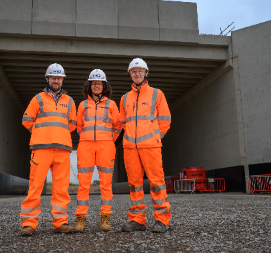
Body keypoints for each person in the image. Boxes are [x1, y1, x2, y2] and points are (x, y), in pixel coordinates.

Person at [20, 63, 77, 236]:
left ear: (63, 80)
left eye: (59, 78)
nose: (56, 81)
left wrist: (56, 133)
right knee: (35, 186)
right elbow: (27, 120)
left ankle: (60, 222)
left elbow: (73, 124)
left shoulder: (70, 101)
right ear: (47, 79)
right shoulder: (38, 98)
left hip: (62, 149)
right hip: (41, 148)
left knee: (61, 188)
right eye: (53, 77)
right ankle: (29, 224)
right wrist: (42, 133)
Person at [119, 58, 172, 233]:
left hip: (151, 146)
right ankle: (137, 220)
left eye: (140, 70)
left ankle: (162, 220)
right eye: (133, 71)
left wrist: (156, 137)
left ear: (146, 73)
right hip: (130, 148)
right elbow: (123, 122)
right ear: (130, 74)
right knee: (135, 185)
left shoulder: (157, 94)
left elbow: (165, 120)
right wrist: (131, 138)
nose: (137, 73)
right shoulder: (125, 98)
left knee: (157, 184)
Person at [74, 69, 121, 232]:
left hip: (106, 146)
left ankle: (105, 218)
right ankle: (80, 218)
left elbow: (117, 126)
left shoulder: (111, 104)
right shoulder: (82, 105)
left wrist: (107, 139)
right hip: (85, 145)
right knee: (83, 184)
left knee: (106, 184)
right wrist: (88, 137)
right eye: (94, 83)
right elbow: (79, 127)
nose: (96, 86)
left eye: (99, 83)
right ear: (89, 85)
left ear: (104, 86)